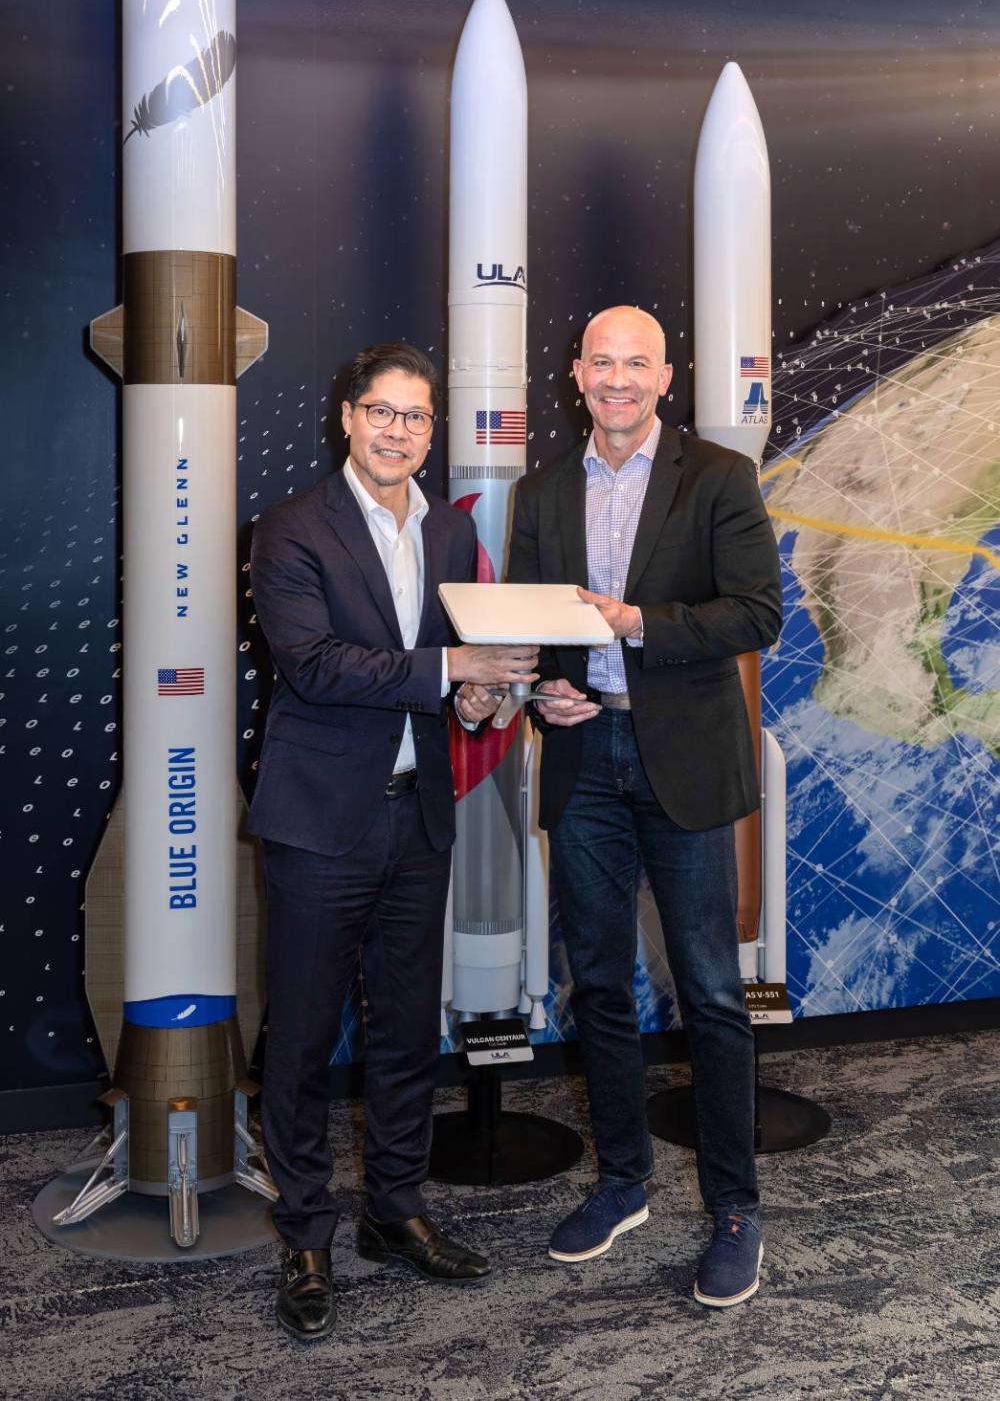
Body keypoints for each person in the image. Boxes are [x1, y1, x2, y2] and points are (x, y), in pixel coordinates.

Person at [249, 341, 538, 1340]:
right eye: (381, 411)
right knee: (297, 1045)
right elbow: (316, 665)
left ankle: (396, 1209)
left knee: (407, 1033)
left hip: (418, 820)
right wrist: (450, 662)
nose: (396, 432)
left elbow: (443, 685)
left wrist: (481, 693)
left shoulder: (452, 540)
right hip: (318, 825)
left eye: (415, 417)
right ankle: (305, 1234)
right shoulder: (289, 530)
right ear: (346, 416)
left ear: (432, 430)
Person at [507, 306, 783, 1308]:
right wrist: (551, 686)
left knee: (711, 991)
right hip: (585, 758)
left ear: (666, 377)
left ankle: (735, 1207)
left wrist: (634, 624)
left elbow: (757, 613)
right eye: (600, 363)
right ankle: (622, 1182)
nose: (617, 380)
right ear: (573, 374)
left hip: (687, 764)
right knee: (599, 985)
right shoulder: (540, 491)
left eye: (637, 363)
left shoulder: (717, 478)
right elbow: (539, 628)